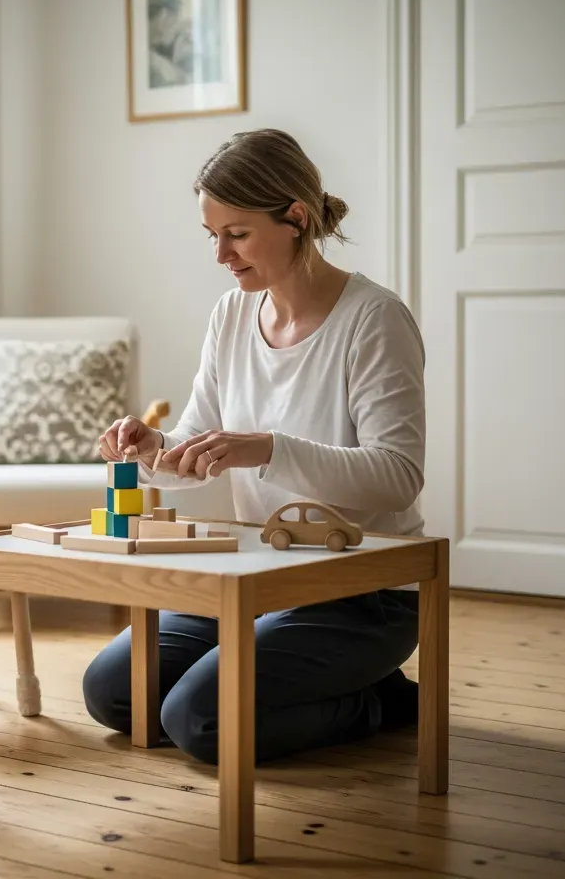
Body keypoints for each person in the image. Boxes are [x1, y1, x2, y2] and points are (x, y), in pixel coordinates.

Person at [83, 128, 427, 766]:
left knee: (197, 719)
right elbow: (200, 444)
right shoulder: (231, 316)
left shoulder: (375, 321)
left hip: (361, 590)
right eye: (212, 235)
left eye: (236, 234)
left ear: (295, 218)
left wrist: (267, 448)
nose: (221, 254)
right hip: (252, 575)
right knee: (112, 693)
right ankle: (315, 677)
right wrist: (155, 447)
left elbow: (398, 477)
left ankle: (383, 701)